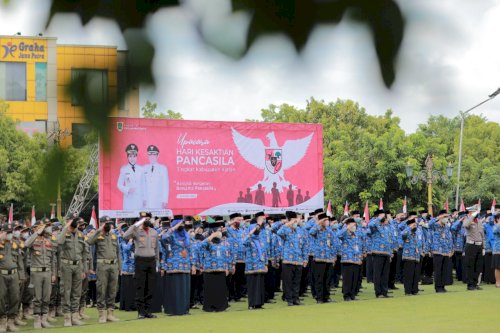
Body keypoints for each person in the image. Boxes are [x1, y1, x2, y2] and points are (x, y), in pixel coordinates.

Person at [123, 212, 160, 319]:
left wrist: (157, 262)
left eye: (148, 218)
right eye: (144, 219)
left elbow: (157, 248)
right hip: (140, 261)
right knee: (141, 286)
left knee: (150, 286)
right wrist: (135, 225)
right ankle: (141, 312)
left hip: (151, 261)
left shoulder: (154, 232)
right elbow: (125, 236)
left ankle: (148, 311)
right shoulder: (136, 231)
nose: (147, 220)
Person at [86, 217, 121, 323]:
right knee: (101, 289)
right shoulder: (98, 235)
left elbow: (118, 252)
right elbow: (89, 242)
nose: (108, 225)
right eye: (106, 223)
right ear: (101, 223)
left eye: (110, 223)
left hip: (113, 265)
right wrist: (98, 230)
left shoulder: (114, 235)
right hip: (102, 265)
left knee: (112, 289)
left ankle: (110, 314)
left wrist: (119, 266)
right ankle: (101, 313)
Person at [25, 220, 57, 329]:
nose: (44, 229)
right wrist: (37, 233)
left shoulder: (48, 241)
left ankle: (44, 318)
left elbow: (53, 259)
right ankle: (37, 320)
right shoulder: (32, 240)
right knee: (37, 297)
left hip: (47, 272)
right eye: (41, 227)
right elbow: (26, 244)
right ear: (35, 229)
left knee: (46, 297)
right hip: (36, 273)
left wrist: (53, 273)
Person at [57, 218, 89, 327]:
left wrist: (84, 269)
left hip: (78, 265)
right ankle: (67, 317)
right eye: (74, 224)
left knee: (77, 292)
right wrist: (66, 228)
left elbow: (84, 253)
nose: (76, 226)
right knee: (66, 291)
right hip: (66, 265)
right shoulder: (64, 233)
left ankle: (75, 317)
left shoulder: (80, 235)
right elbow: (59, 242)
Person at [159, 216, 191, 316]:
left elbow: (190, 249)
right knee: (175, 289)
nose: (181, 226)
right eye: (179, 224)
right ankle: (174, 310)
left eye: (182, 224)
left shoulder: (186, 235)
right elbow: (163, 238)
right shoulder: (171, 235)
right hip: (173, 266)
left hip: (185, 266)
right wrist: (174, 228)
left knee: (184, 289)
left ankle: (184, 309)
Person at [275, 211, 307, 306]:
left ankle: (295, 298)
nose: (295, 223)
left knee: (297, 281)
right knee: (288, 281)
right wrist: (288, 224)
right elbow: (278, 232)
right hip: (288, 260)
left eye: (296, 221)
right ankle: (289, 299)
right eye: (294, 221)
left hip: (299, 260)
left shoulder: (300, 231)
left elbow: (305, 246)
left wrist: (305, 259)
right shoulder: (286, 230)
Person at [199, 220, 231, 312]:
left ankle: (221, 306)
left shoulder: (223, 242)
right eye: (218, 231)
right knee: (210, 289)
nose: (219, 233)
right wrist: (212, 236)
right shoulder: (208, 241)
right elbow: (200, 246)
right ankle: (210, 307)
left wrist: (227, 267)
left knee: (221, 289)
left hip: (221, 268)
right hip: (209, 269)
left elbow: (226, 255)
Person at [0, 223, 25, 332]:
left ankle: (11, 320)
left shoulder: (15, 244)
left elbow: (20, 260)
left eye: (11, 232)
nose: (10, 234)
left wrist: (21, 275)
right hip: (2, 274)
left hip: (14, 274)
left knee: (15, 297)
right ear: (3, 232)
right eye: (8, 232)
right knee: (1, 298)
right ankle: (2, 320)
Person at [309, 213, 338, 303]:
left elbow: (333, 244)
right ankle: (319, 297)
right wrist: (318, 224)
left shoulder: (329, 231)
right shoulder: (317, 229)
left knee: (327, 279)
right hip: (319, 258)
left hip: (328, 258)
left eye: (327, 220)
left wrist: (334, 256)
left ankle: (326, 297)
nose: (327, 222)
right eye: (325, 220)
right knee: (319, 279)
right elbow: (311, 232)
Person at [336, 218, 364, 301]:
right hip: (347, 259)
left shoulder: (357, 234)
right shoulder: (345, 233)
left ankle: (353, 294)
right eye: (352, 225)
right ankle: (346, 295)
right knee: (347, 279)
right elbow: (337, 235)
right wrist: (346, 227)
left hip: (356, 259)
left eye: (354, 225)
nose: (354, 227)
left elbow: (360, 245)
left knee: (355, 278)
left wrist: (361, 255)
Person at [368, 210, 393, 298]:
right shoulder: (376, 227)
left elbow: (390, 241)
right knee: (377, 273)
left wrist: (390, 253)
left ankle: (384, 292)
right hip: (377, 252)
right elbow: (370, 225)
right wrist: (379, 218)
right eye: (385, 218)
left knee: (385, 274)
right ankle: (378, 292)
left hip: (386, 253)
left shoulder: (387, 228)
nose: (387, 220)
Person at [243, 221, 267, 309]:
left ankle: (259, 304)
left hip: (260, 266)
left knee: (260, 285)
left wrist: (266, 264)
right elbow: (243, 242)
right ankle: (252, 304)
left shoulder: (260, 240)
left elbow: (265, 253)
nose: (257, 231)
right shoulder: (249, 240)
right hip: (251, 266)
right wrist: (251, 231)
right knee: (252, 285)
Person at [401, 213, 423, 296]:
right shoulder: (407, 232)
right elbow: (402, 234)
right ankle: (408, 291)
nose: (415, 226)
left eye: (415, 225)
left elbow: (420, 242)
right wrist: (409, 227)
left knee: (416, 274)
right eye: (413, 224)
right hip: (408, 256)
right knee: (408, 275)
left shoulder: (417, 232)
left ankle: (415, 290)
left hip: (416, 255)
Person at [117, 143, 145, 211]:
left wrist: (145, 199)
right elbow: (119, 185)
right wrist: (127, 189)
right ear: (127, 157)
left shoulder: (141, 169)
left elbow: (144, 185)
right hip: (129, 200)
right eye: (130, 156)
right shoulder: (124, 169)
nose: (132, 158)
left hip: (139, 201)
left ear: (136, 156)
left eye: (134, 156)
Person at [463, 209, 485, 291]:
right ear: (470, 212)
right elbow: (465, 225)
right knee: (470, 266)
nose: (476, 214)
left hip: (479, 246)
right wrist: (471, 216)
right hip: (471, 245)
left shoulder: (479, 221)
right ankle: (470, 285)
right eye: (474, 212)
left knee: (478, 266)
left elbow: (482, 235)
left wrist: (483, 247)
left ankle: (475, 284)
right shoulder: (467, 220)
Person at [226, 213, 245, 302]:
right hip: (232, 258)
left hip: (242, 258)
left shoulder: (242, 230)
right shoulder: (229, 230)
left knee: (240, 278)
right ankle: (231, 296)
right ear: (233, 220)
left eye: (241, 220)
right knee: (232, 278)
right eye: (239, 220)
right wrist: (231, 222)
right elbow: (223, 227)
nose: (241, 222)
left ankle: (239, 295)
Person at [143, 145, 169, 210]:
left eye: (154, 155)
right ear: (148, 156)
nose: (152, 157)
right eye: (150, 155)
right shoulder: (144, 168)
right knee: (146, 219)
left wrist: (165, 200)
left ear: (157, 156)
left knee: (157, 219)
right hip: (147, 201)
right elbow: (142, 185)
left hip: (158, 201)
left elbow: (165, 185)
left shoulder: (163, 168)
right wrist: (143, 198)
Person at [117, 223, 136, 311]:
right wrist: (130, 241)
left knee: (133, 287)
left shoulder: (134, 241)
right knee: (127, 288)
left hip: (134, 266)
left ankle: (134, 305)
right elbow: (126, 249)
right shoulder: (122, 241)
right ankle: (127, 305)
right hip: (126, 267)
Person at [492, 214, 500, 287]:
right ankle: (497, 282)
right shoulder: (496, 226)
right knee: (498, 267)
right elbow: (494, 231)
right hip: (498, 249)